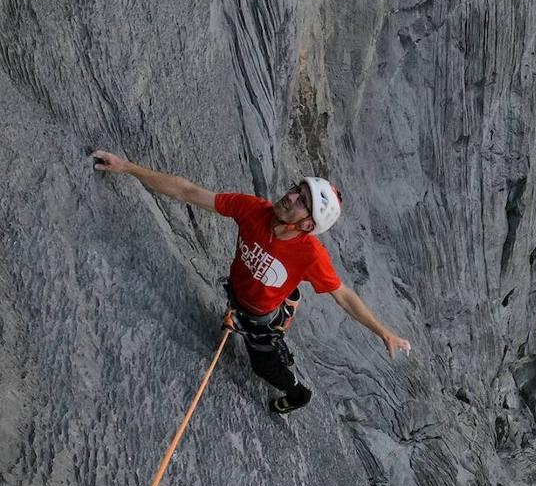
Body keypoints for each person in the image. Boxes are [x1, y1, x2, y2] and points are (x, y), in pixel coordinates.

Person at [91, 150, 411, 414]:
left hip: (259, 314)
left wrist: (383, 331)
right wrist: (127, 168)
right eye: (295, 189)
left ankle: (297, 393)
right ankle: (287, 300)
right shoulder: (254, 210)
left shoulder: (310, 254)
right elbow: (188, 192)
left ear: (309, 223)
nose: (290, 196)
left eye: (301, 201)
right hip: (242, 291)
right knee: (262, 295)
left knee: (263, 366)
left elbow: (343, 295)